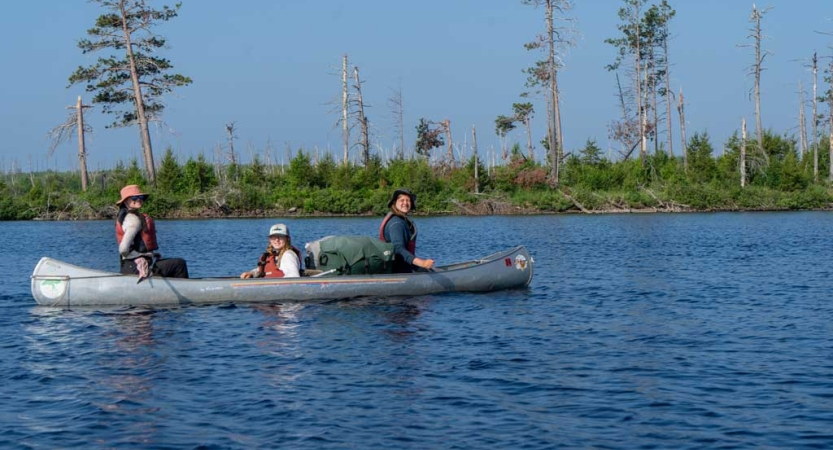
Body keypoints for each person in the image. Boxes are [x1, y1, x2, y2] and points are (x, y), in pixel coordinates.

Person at [115, 184, 189, 279]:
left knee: (171, 264)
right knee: (179, 264)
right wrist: (139, 257)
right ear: (126, 201)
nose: (138, 199)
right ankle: (185, 290)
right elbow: (123, 249)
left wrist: (149, 255)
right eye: (134, 197)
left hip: (129, 267)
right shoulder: (133, 220)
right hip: (136, 267)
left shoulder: (128, 217)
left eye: (140, 197)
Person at [378, 188, 435, 273]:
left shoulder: (400, 220)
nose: (405, 203)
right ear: (394, 202)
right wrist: (421, 263)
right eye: (402, 200)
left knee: (428, 271)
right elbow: (398, 248)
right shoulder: (397, 223)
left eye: (408, 200)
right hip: (397, 269)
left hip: (403, 265)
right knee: (426, 271)